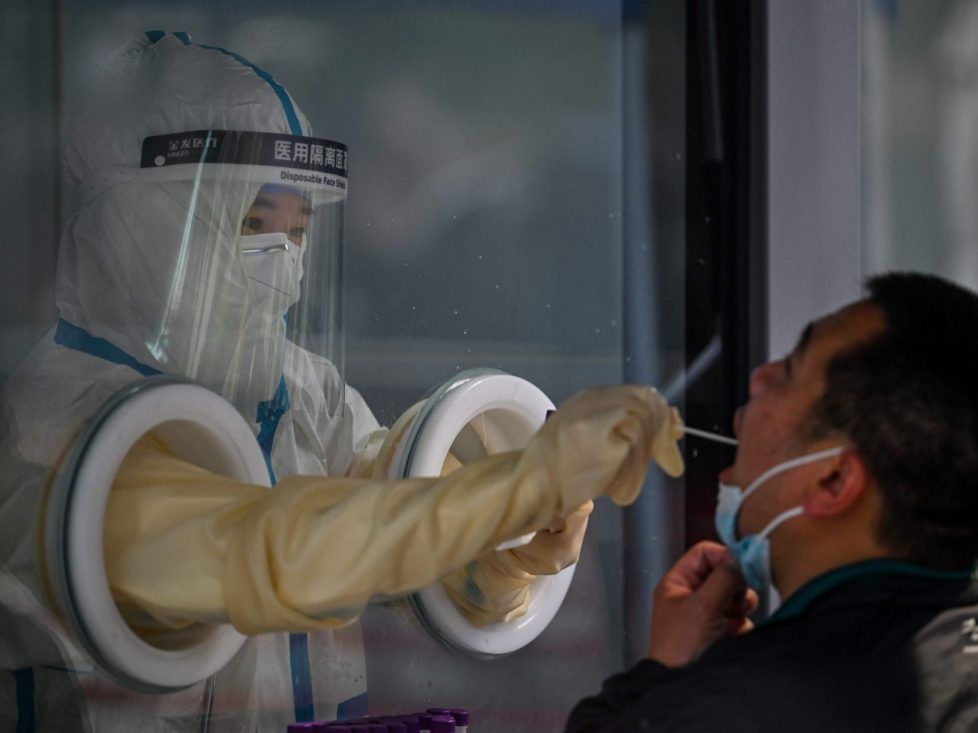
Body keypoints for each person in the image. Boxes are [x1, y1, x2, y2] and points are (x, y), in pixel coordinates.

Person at [0, 32, 685, 731]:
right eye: (253, 220)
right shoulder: (56, 431)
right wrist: (514, 488)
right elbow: (273, 550)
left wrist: (511, 544)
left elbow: (392, 511)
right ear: (150, 219)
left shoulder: (301, 391)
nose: (286, 257)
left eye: (299, 226)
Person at [566, 272, 978, 732]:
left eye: (787, 372)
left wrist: (666, 673)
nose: (759, 377)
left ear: (834, 481)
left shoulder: (744, 708)